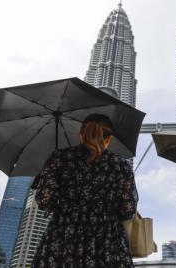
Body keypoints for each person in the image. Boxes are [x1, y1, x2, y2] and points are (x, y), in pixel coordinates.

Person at [32, 114, 138, 268]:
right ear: (109, 139)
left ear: (81, 134)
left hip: (63, 236)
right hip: (107, 241)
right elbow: (127, 211)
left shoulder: (59, 158)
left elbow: (44, 201)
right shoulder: (121, 166)